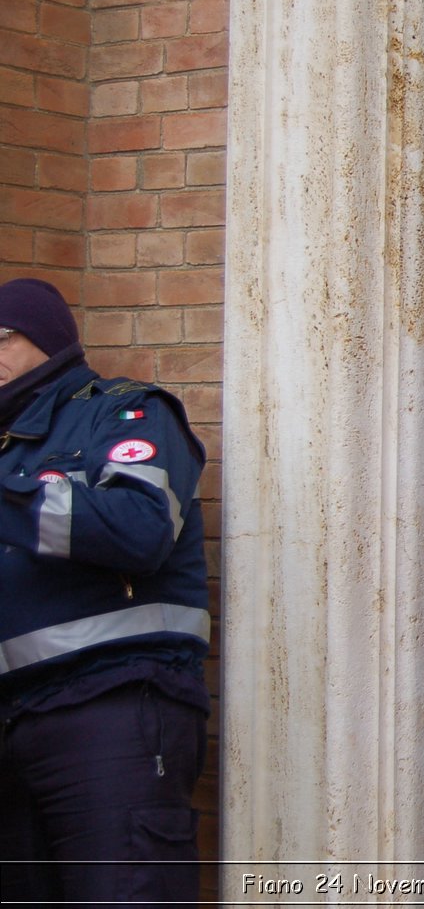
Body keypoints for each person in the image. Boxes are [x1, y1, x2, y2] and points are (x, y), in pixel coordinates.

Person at [0, 278, 210, 904]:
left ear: (46, 341)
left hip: (110, 704)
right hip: (14, 717)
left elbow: (139, 529)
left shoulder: (122, 410)